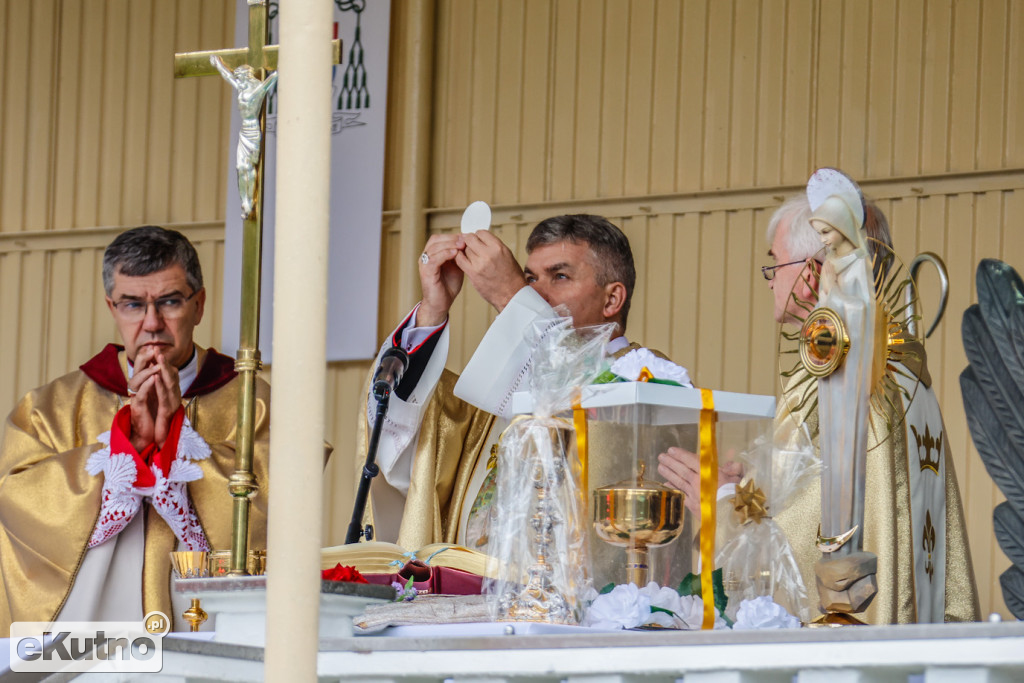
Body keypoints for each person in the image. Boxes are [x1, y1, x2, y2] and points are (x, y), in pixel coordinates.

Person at [658, 193, 980, 623]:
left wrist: (720, 503)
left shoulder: (838, 375)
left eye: (775, 264)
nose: (770, 279)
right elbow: (807, 492)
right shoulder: (895, 366)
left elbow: (822, 542)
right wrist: (748, 490)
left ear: (811, 273)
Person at [0, 226, 273, 635]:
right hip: (94, 641)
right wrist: (129, 451)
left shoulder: (253, 402)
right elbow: (19, 501)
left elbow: (283, 501)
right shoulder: (50, 408)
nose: (152, 323)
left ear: (199, 306)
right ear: (112, 308)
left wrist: (176, 447)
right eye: (132, 305)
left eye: (169, 302)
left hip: (210, 629)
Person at [361, 214, 687, 555]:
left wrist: (509, 295)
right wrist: (432, 311)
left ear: (612, 300)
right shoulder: (507, 389)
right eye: (529, 278)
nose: (535, 293)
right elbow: (414, 447)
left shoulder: (649, 379)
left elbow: (581, 410)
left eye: (560, 276)